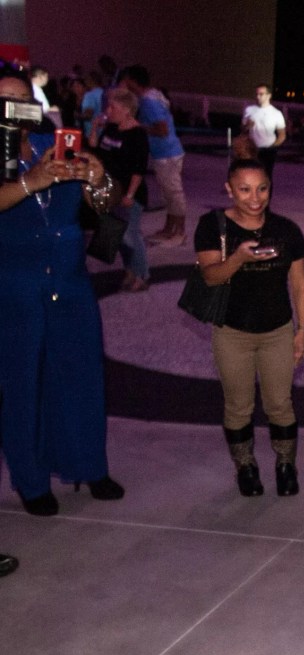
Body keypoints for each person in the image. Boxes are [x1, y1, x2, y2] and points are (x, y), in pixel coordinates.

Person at [0, 65, 125, 517]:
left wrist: (98, 179)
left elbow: (105, 203)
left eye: (23, 98)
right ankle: (31, 479)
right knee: (21, 384)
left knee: (82, 376)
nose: (15, 107)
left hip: (70, 282)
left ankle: (89, 465)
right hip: (14, 285)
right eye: (5, 100)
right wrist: (31, 182)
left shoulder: (55, 144)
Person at [192, 159, 304, 497]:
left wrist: (303, 330)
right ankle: (245, 466)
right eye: (244, 190)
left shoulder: (286, 229)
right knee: (238, 405)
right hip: (232, 332)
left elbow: (300, 284)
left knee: (280, 403)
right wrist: (238, 258)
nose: (255, 198)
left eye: (262, 189)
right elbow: (210, 276)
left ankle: (286, 465)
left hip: (278, 331)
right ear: (229, 190)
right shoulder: (212, 225)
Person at [90, 86, 150, 292]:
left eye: (112, 108)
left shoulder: (137, 134)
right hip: (111, 190)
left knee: (131, 235)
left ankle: (142, 274)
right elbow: (96, 150)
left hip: (130, 192)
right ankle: (129, 271)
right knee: (120, 235)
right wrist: (95, 128)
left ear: (126, 110)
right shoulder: (111, 128)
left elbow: (139, 169)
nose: (108, 111)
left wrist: (129, 195)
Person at [118, 65, 186, 245]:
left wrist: (138, 126)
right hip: (166, 152)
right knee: (168, 193)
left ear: (133, 80)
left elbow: (162, 129)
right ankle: (169, 228)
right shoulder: (153, 95)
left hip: (166, 153)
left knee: (174, 193)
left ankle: (180, 231)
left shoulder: (148, 101)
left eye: (126, 79)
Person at [242, 83, 286, 180]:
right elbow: (243, 129)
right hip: (252, 149)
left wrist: (273, 146)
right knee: (251, 176)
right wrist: (247, 126)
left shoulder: (276, 113)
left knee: (265, 176)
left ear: (269, 95)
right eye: (257, 94)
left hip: (268, 150)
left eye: (261, 94)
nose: (258, 97)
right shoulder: (249, 110)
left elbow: (282, 135)